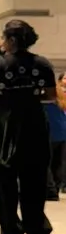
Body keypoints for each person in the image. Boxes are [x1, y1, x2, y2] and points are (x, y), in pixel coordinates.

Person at [0, 20, 57, 234]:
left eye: (3, 38)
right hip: (34, 123)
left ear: (11, 40)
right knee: (34, 177)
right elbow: (51, 95)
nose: (1, 42)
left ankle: (11, 228)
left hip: (4, 124)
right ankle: (36, 228)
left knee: (4, 177)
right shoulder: (42, 64)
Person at [44, 72, 66, 201]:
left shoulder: (44, 94)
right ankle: (55, 189)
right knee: (58, 164)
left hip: (49, 132)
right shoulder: (61, 94)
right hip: (62, 132)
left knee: (46, 163)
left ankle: (50, 191)